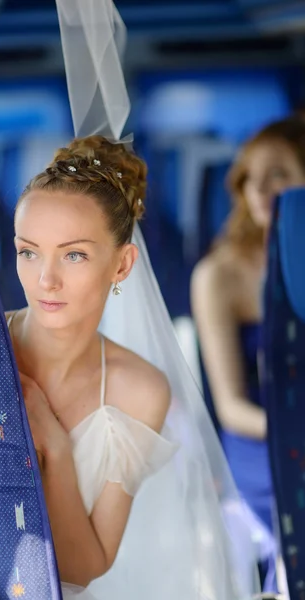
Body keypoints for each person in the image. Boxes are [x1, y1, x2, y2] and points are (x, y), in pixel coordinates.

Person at [5, 134, 260, 599]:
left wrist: (56, 448)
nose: (45, 279)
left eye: (74, 254)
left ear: (122, 265)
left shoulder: (140, 390)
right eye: (28, 251)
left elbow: (85, 568)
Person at [191, 115, 305, 589]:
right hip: (264, 443)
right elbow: (232, 408)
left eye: (278, 173)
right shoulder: (219, 275)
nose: (260, 188)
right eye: (249, 177)